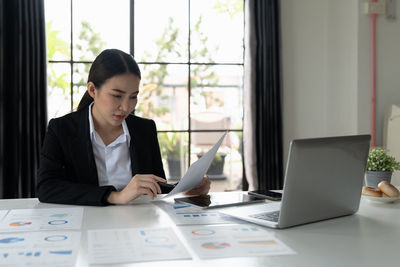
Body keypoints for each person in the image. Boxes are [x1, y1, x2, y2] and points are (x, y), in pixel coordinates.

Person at [37, 49, 210, 206]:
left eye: (133, 97)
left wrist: (185, 189)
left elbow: (156, 187)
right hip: (85, 225)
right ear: (92, 90)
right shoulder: (62, 128)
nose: (126, 107)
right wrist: (114, 196)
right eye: (117, 96)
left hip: (136, 226)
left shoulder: (144, 129)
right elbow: (47, 188)